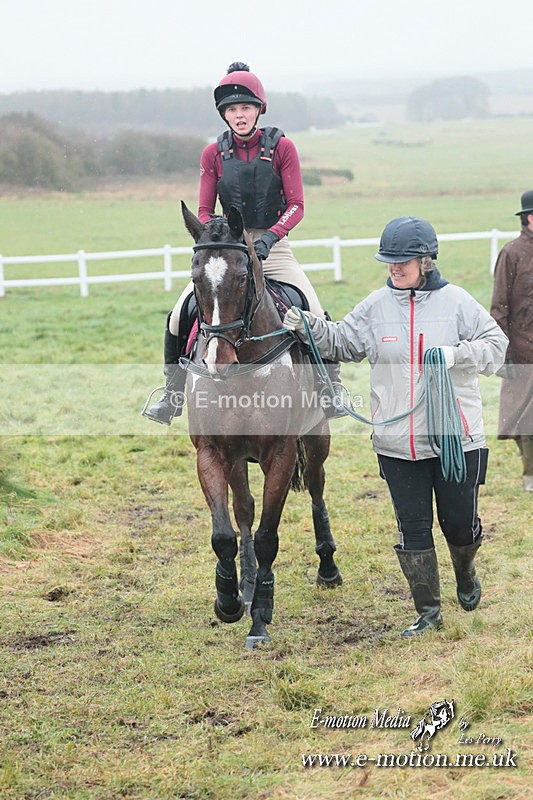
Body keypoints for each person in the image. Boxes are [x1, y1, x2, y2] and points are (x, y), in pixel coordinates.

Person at [283, 216, 508, 637]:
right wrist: (307, 326)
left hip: (456, 440)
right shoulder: (374, 307)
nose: (393, 268)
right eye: (389, 261)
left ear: (426, 261)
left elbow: (497, 348)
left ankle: (466, 571)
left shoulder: (458, 302)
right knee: (413, 528)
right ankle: (428, 613)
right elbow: (341, 342)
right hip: (395, 444)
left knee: (458, 525)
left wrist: (454, 355)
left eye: (402, 261)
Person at [144, 61, 343, 424]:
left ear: (259, 109)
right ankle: (172, 395)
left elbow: (297, 205)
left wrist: (269, 238)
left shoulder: (283, 147)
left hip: (274, 246)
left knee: (313, 309)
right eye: (232, 109)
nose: (239, 115)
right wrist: (220, 240)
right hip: (229, 247)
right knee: (178, 316)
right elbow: (204, 210)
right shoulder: (212, 154)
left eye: (245, 108)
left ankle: (331, 391)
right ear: (224, 114)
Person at [490, 190, 533, 492]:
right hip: (522, 348)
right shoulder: (512, 253)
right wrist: (503, 349)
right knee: (526, 415)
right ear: (530, 218)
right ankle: (530, 474)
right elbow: (499, 307)